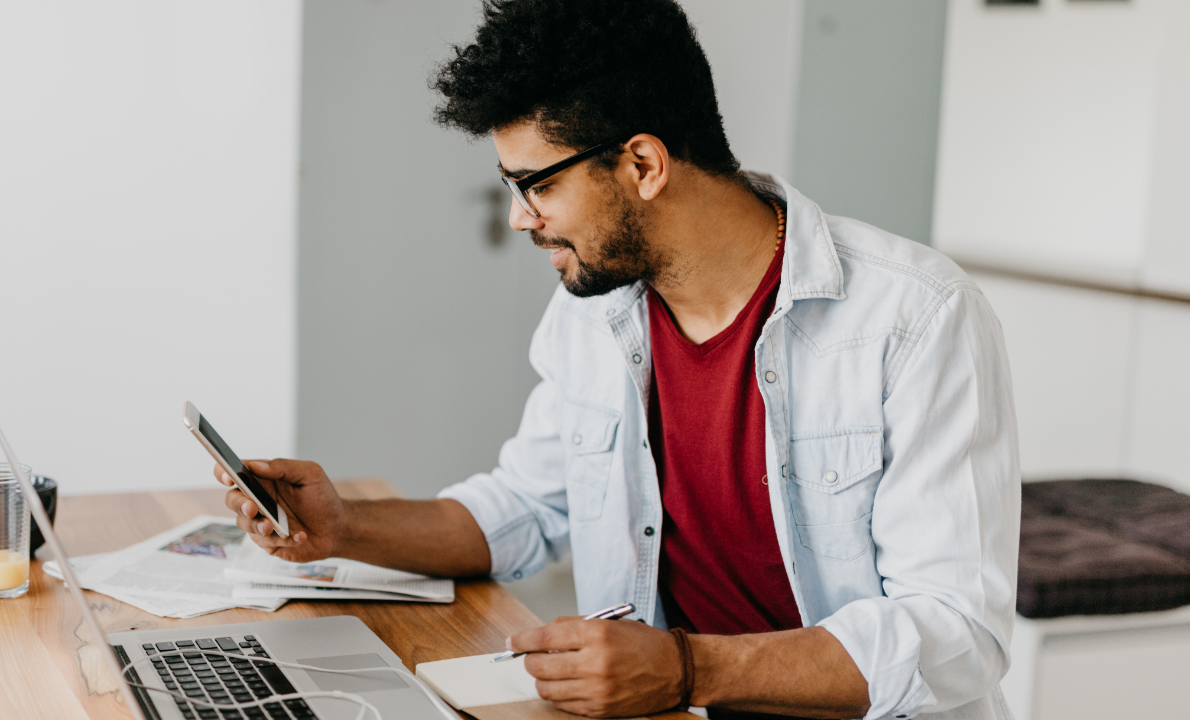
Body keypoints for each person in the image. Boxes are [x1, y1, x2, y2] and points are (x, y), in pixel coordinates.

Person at [217, 1, 1020, 718]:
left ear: (643, 164)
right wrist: (345, 528)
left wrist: (687, 669)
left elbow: (957, 632)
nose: (519, 218)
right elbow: (528, 508)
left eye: (534, 184)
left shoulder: (916, 317)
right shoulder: (598, 311)